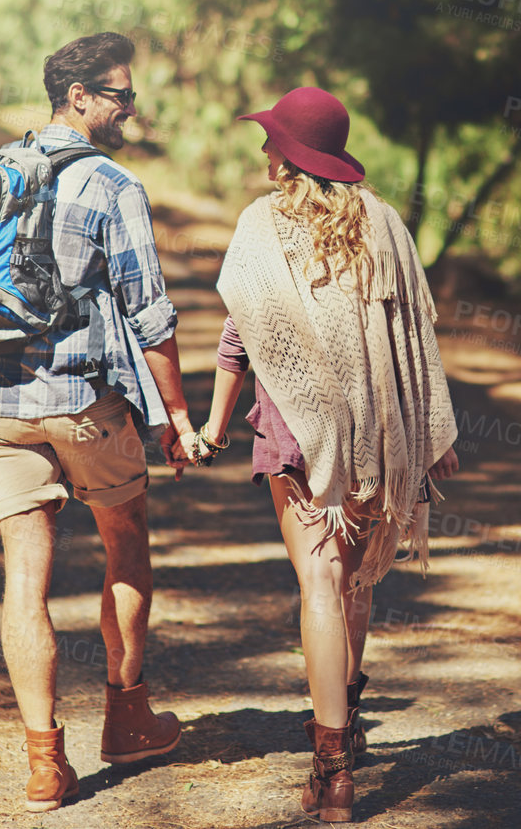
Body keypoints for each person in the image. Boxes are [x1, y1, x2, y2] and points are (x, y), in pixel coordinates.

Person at [0, 33, 195, 812]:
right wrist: (178, 416)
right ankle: (128, 717)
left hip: (0, 406)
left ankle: (43, 764)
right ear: (81, 98)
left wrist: (6, 307)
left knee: (24, 580)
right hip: (86, 406)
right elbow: (152, 313)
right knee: (125, 541)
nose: (131, 108)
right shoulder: (113, 184)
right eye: (121, 95)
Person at [188, 86, 459, 823]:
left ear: (288, 156)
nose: (263, 151)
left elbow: (240, 336)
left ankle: (333, 769)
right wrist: (432, 431)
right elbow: (416, 336)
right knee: (358, 583)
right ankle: (349, 718)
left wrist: (211, 428)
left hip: (297, 425)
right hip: (380, 426)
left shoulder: (261, 224)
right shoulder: (388, 223)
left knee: (319, 579)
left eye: (271, 140)